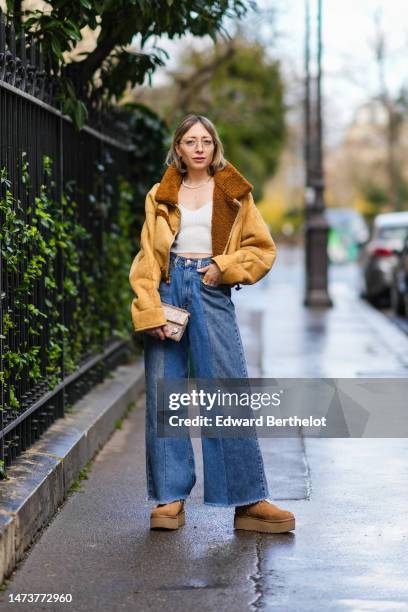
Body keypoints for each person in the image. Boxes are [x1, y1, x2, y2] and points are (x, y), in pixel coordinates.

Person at [129, 114, 295, 534]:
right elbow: (147, 258)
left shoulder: (234, 193)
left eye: (205, 140)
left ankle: (247, 501)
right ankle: (170, 498)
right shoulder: (160, 195)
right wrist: (149, 309)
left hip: (210, 286)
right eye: (190, 141)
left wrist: (225, 268)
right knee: (165, 394)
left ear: (214, 146)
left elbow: (262, 249)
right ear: (179, 149)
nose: (199, 147)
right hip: (169, 288)